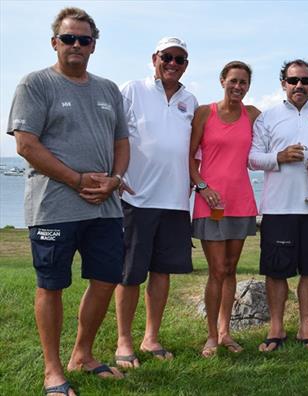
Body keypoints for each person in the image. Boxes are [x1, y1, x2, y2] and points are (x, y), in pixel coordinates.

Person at [7, 7, 128, 395]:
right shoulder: (35, 84)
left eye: (84, 39)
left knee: (108, 279)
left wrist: (115, 180)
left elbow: (121, 143)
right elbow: (26, 144)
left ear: (94, 45)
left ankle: (84, 354)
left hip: (105, 207)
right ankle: (53, 371)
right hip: (54, 205)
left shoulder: (108, 89)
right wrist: (76, 180)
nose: (76, 45)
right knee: (52, 285)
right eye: (68, 38)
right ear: (54, 42)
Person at [113, 36, 197, 369]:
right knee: (130, 274)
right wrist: (115, 175)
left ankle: (151, 337)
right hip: (137, 198)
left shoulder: (190, 100)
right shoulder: (131, 90)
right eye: (167, 57)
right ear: (155, 58)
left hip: (176, 201)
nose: (173, 64)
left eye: (180, 59)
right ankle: (124, 340)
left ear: (186, 65)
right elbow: (112, 134)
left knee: (162, 273)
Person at [249, 59, 308, 351]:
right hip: (278, 208)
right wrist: (279, 156)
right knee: (276, 271)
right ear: (283, 84)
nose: (299, 86)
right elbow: (252, 158)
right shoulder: (268, 117)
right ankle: (276, 328)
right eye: (293, 81)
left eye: (304, 81)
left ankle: (305, 328)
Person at [190, 61, 260, 357]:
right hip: (211, 202)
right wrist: (203, 188)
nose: (238, 87)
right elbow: (190, 159)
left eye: (243, 82)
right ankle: (210, 336)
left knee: (230, 268)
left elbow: (277, 134)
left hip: (241, 200)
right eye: (233, 81)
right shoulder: (205, 113)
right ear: (222, 81)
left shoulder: (253, 114)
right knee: (216, 269)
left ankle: (225, 332)